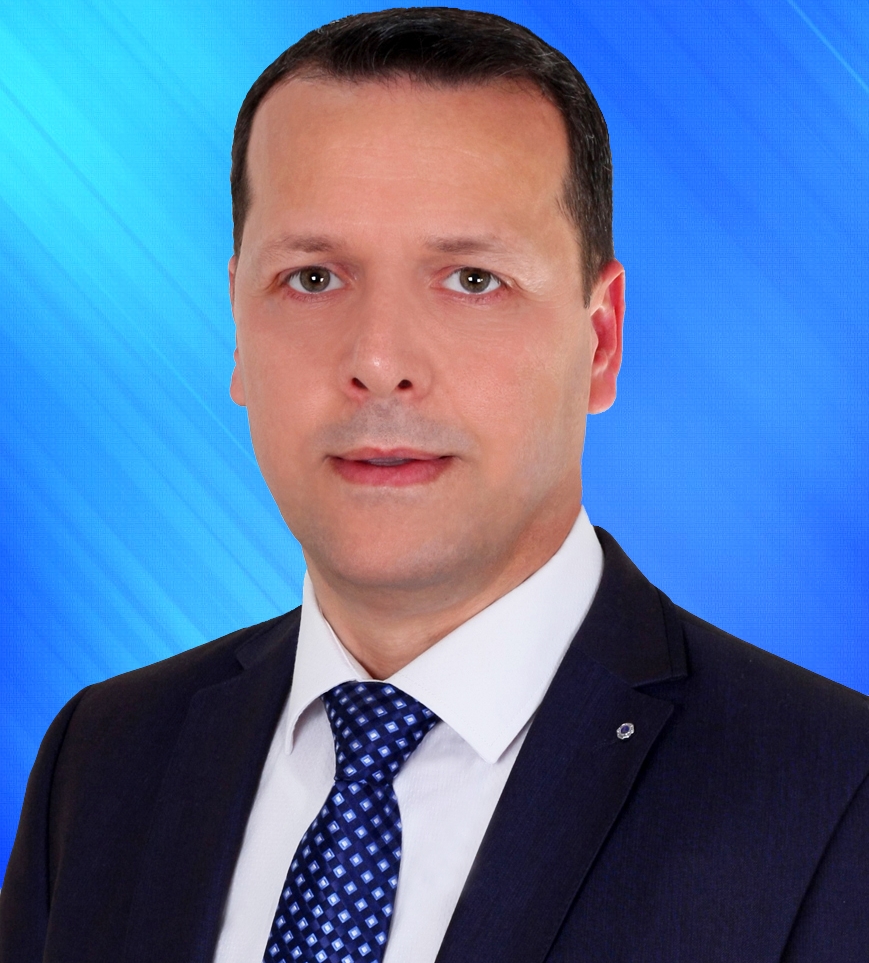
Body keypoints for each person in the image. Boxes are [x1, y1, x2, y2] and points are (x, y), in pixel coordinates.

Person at [1, 8, 867, 962]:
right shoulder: (104, 756)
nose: (379, 362)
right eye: (314, 278)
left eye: (471, 280)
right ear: (239, 329)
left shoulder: (830, 794)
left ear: (600, 341)